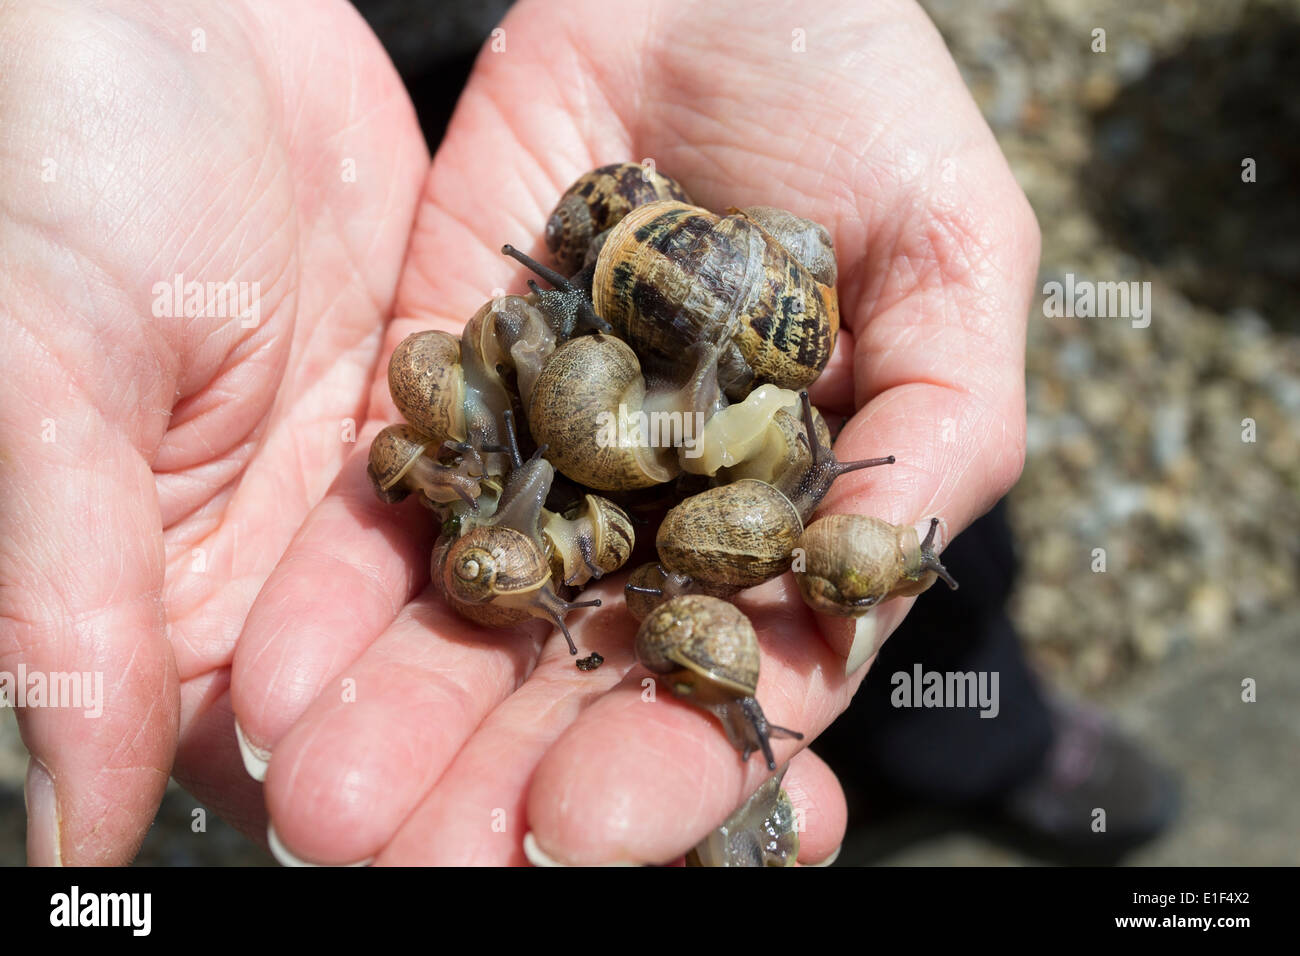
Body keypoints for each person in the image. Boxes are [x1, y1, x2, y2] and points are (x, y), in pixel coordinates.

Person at [1, 0, 1041, 865]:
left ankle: (989, 745)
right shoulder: (577, 376)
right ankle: (968, 753)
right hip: (372, 84)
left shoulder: (729, 376)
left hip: (528, 58)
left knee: (919, 542)